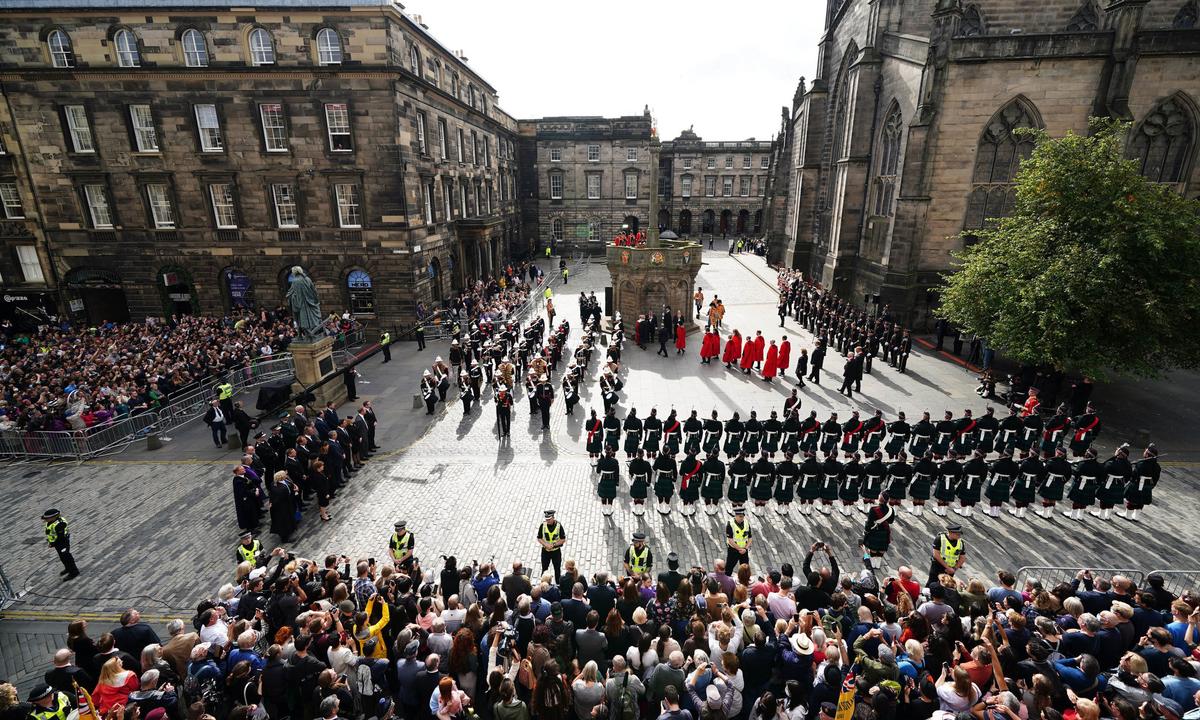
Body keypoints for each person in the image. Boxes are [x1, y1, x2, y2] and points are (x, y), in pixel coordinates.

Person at [42, 508, 79, 580]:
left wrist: (52, 544)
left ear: (54, 517)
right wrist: (51, 542)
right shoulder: (51, 521)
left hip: (62, 543)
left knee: (67, 557)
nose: (45, 520)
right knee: (62, 557)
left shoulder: (60, 524)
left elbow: (60, 537)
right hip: (57, 543)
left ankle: (74, 572)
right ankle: (68, 568)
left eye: (47, 518)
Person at [538, 510, 566, 581]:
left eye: (549, 519)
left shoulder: (559, 526)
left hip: (556, 552)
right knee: (544, 569)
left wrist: (553, 545)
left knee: (557, 570)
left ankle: (558, 584)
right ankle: (543, 584)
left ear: (553, 518)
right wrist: (546, 544)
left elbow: (563, 539)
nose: (548, 521)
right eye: (546, 519)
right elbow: (539, 538)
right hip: (545, 551)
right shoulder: (543, 525)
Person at [725, 506, 752, 572]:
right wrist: (739, 549)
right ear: (736, 515)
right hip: (733, 550)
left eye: (743, 516)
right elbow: (730, 540)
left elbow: (750, 537)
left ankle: (743, 577)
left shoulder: (746, 523)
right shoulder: (730, 524)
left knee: (745, 568)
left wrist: (745, 549)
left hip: (744, 550)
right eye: (740, 516)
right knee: (729, 567)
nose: (742, 518)